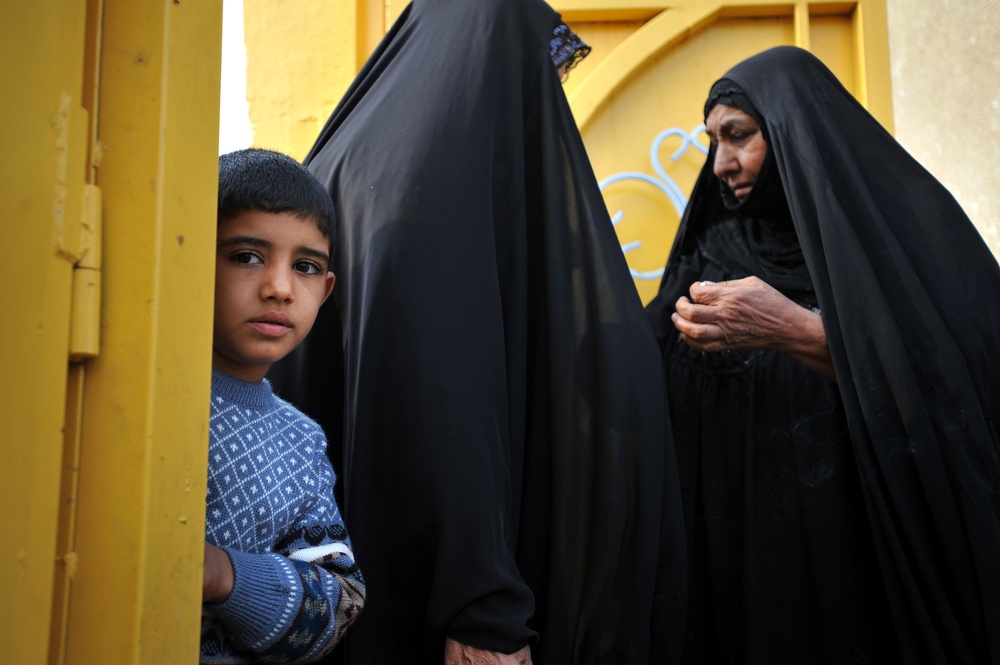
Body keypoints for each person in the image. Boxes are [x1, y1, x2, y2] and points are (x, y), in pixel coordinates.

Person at [266, 0, 687, 663]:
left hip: (327, 569)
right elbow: (447, 394)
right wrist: (482, 602)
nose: (545, 102)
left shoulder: (357, 152)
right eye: (535, 73)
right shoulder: (434, 183)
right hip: (438, 603)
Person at [645, 46, 1000, 664]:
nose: (722, 163)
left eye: (740, 136)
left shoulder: (888, 239)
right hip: (736, 566)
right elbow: (645, 363)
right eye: (713, 142)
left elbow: (961, 378)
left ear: (791, 131)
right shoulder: (714, 248)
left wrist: (800, 331)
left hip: (860, 562)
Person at [200, 148, 366, 663]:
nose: (279, 288)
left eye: (306, 266)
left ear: (326, 289)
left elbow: (342, 601)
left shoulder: (300, 440)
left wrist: (224, 575)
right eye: (246, 256)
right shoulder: (134, 397)